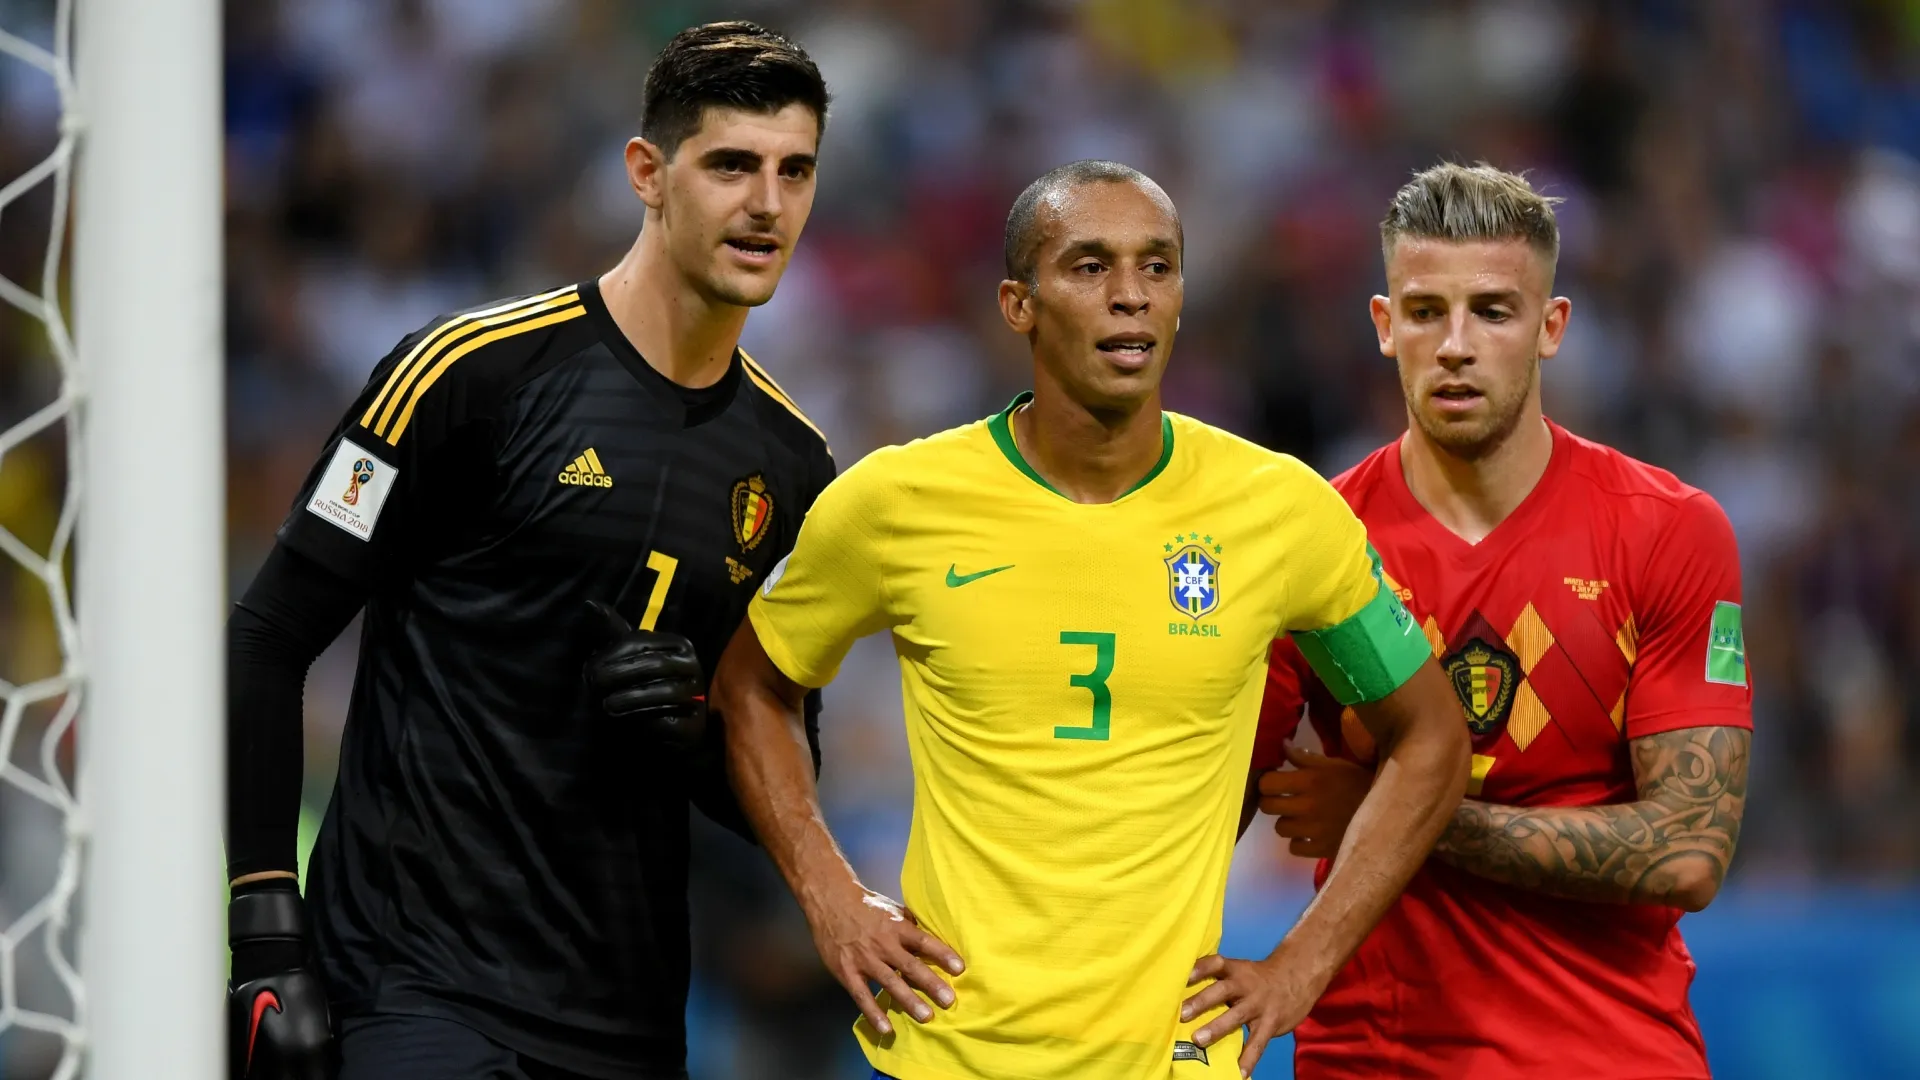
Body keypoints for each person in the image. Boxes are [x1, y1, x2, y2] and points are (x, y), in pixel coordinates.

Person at [709, 159, 1471, 1080]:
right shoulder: (897, 501)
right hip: (946, 1053)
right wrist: (831, 897)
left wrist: (1302, 965)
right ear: (1017, 304)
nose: (1129, 297)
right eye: (1088, 266)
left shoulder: (1281, 512)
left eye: (1158, 268)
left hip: (1170, 1060)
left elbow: (1430, 736)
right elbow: (751, 682)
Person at [223, 22, 835, 1080]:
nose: (767, 205)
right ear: (648, 172)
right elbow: (270, 633)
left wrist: (694, 734)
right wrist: (267, 937)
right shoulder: (468, 375)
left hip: (629, 1019)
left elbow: (782, 767)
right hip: (413, 991)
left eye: (795, 171)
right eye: (731, 164)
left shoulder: (793, 467)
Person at [1253, 162, 1751, 1080]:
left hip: (1608, 1053)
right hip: (1374, 1057)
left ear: (1550, 328)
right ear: (1383, 325)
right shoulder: (1312, 542)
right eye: (1425, 310)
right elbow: (1197, 805)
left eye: (1493, 310)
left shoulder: (1668, 530)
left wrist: (1397, 810)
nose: (1455, 345)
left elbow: (1689, 853)